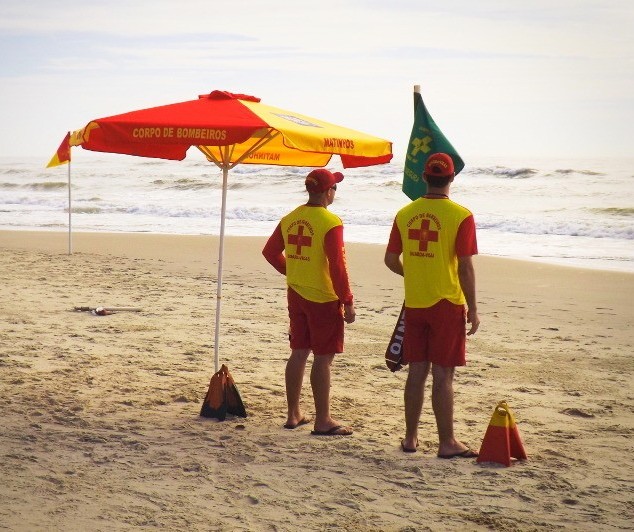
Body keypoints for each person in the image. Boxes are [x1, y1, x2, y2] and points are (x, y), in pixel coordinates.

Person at [384, 152, 480, 458]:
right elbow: (465, 267)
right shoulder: (461, 215)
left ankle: (411, 438)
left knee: (417, 372)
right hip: (447, 303)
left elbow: (390, 260)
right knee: (443, 375)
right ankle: (447, 442)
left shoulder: (404, 213)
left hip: (415, 303)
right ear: (452, 178)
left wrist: (414, 275)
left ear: (424, 177)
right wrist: (474, 308)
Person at [262, 168, 356, 436]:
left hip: (296, 293)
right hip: (323, 297)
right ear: (328, 192)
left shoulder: (291, 218)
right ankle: (323, 419)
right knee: (323, 358)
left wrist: (290, 271)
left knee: (299, 351)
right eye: (334, 188)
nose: (335, 192)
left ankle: (293, 414)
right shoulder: (330, 222)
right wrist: (347, 300)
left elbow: (270, 252)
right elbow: (337, 266)